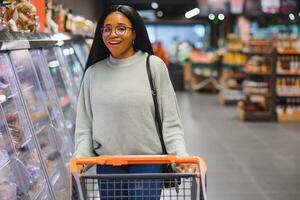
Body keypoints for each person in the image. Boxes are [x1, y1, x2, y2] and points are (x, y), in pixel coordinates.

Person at [74, 4, 191, 199]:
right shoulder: (93, 73)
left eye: (121, 28)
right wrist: (80, 160)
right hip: (107, 164)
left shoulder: (153, 66)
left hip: (148, 164)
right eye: (107, 28)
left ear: (135, 33)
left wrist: (180, 155)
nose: (113, 34)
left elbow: (170, 121)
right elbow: (85, 126)